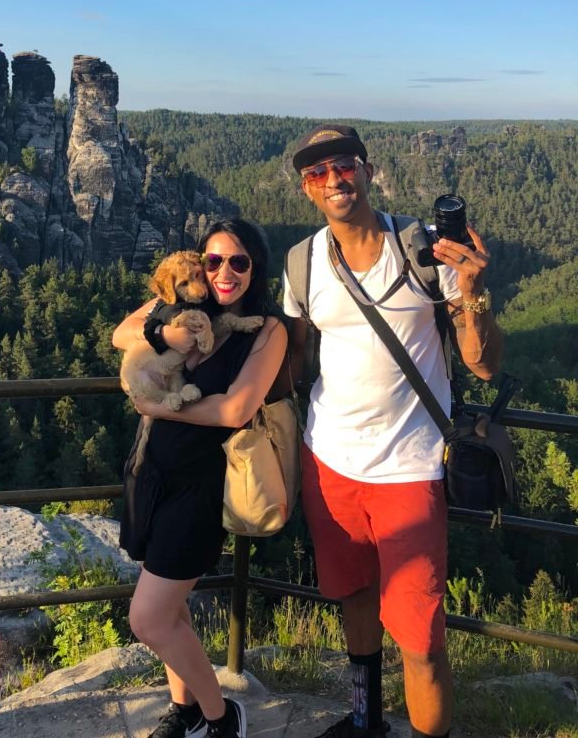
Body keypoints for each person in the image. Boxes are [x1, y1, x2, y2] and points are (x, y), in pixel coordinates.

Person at [283, 125, 503, 738]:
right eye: (317, 173)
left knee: (421, 638)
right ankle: (365, 721)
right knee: (354, 597)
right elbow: (294, 361)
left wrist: (473, 290)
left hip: (411, 469)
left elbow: (484, 364)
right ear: (307, 188)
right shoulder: (302, 263)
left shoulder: (424, 249)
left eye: (344, 165)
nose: (334, 180)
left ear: (368, 169)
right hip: (328, 463)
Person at [113, 219, 288, 738]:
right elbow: (120, 333)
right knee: (170, 609)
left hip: (202, 488)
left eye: (239, 261)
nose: (224, 272)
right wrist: (162, 333)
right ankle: (184, 709)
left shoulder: (267, 330)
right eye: (213, 261)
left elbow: (235, 409)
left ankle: (221, 716)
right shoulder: (184, 304)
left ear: (255, 267)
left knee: (148, 619)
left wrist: (158, 407)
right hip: (152, 474)